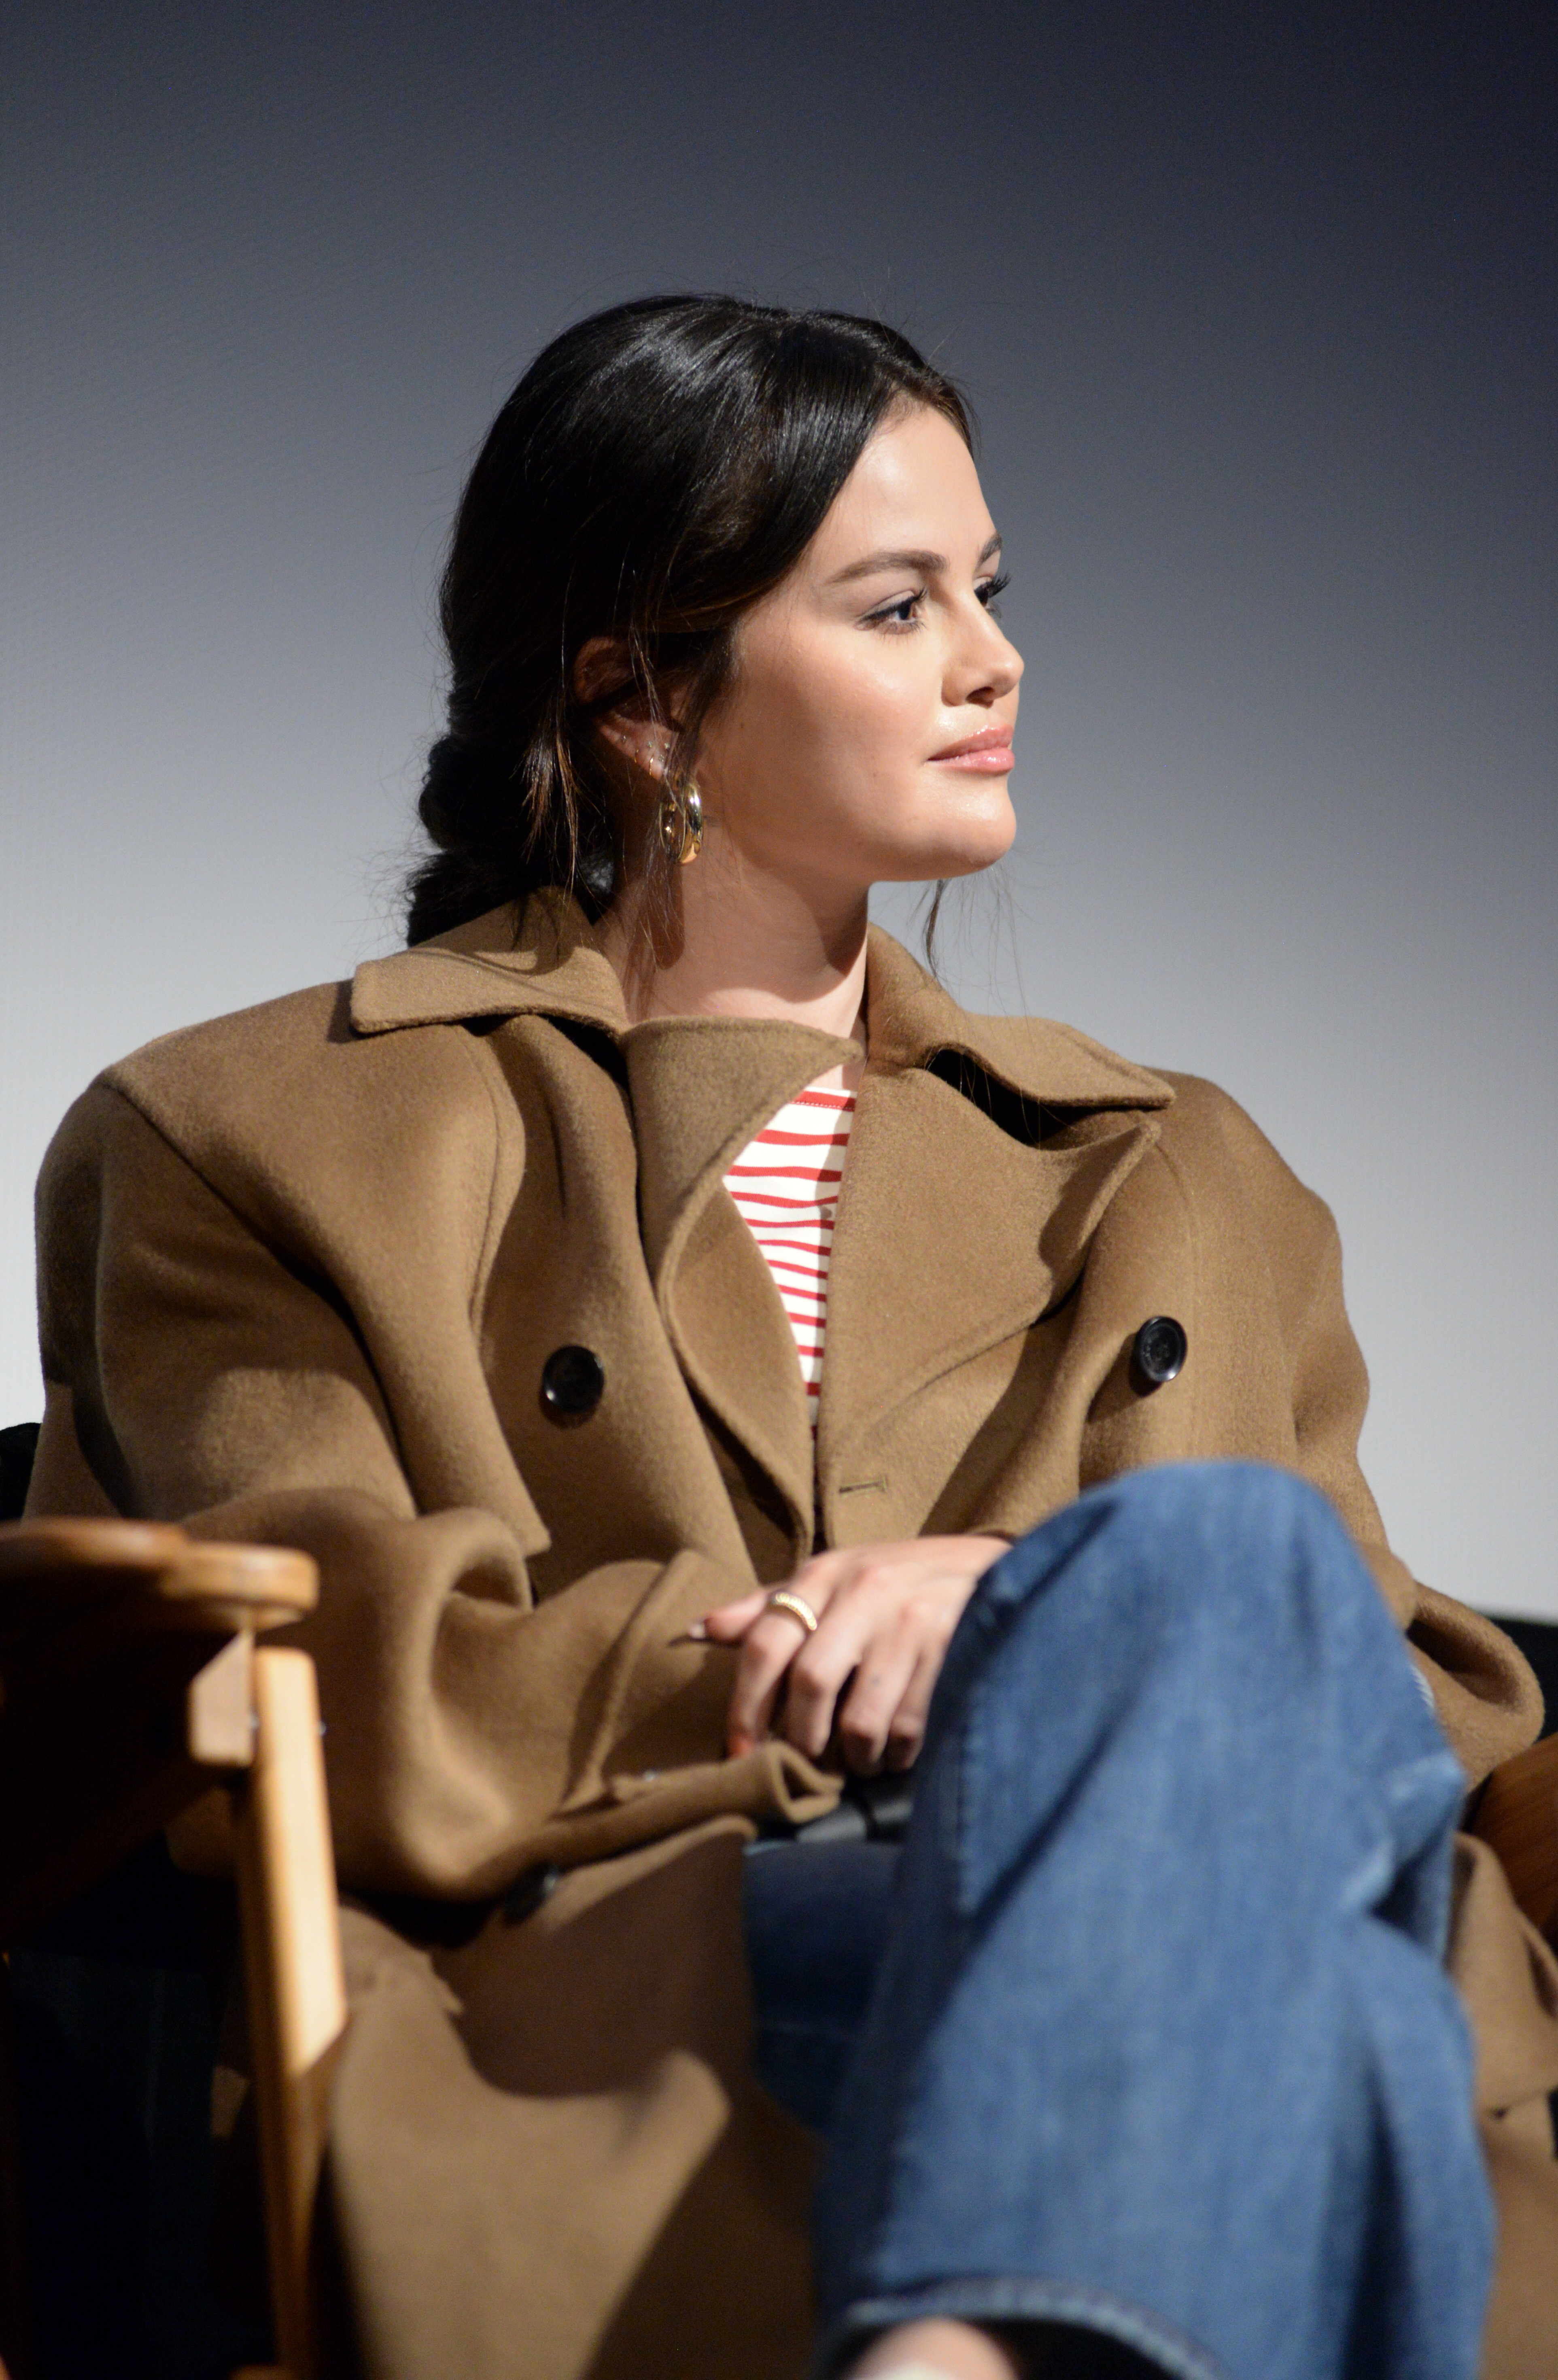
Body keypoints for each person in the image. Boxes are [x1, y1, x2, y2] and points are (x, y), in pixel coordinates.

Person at [25, 297, 1558, 2380]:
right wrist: (838, 1665)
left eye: (991, 592)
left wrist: (1041, 1622)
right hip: (661, 1963)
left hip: (1198, 1903)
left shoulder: (1180, 1167)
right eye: (897, 602)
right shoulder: (258, 1137)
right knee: (1348, 2024)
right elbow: (321, 1671)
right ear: (642, 694)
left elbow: (1371, 1682)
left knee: (1226, 1597)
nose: (998, 661)